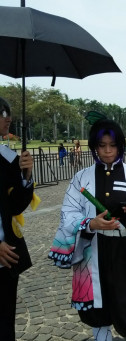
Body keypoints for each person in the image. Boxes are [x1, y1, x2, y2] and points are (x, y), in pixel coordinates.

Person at [49, 116, 126, 341]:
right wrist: (90, 223)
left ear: (120, 146)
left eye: (113, 146)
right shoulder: (80, 178)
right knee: (98, 310)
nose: (107, 151)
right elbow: (68, 213)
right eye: (101, 146)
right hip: (93, 251)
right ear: (94, 147)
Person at [0, 97, 36, 340]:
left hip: (6, 257)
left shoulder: (7, 157)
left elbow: (15, 206)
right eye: (3, 114)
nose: (8, 118)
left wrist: (26, 174)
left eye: (8, 113)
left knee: (4, 324)